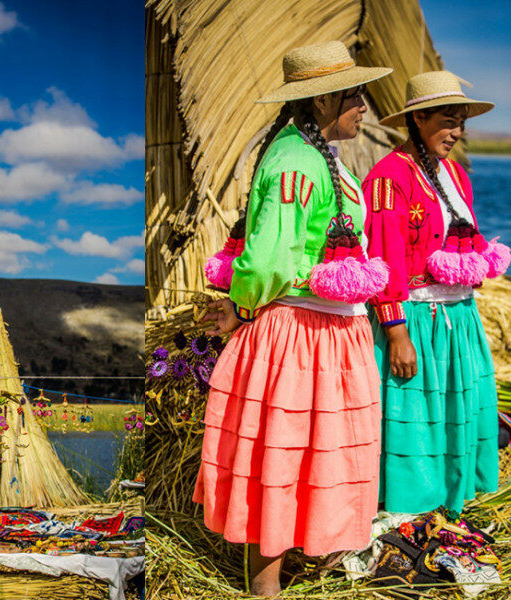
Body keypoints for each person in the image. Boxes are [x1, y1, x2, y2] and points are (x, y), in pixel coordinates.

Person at [193, 41, 392, 596]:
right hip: (302, 333)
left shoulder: (312, 153)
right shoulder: (295, 161)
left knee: (312, 448)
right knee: (283, 450)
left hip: (330, 330)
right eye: (355, 95)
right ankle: (266, 585)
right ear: (324, 100)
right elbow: (270, 257)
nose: (364, 107)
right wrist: (242, 306)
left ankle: (299, 554)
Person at [362, 70, 505, 516]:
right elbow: (384, 261)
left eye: (461, 121)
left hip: (459, 318)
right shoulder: (389, 178)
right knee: (417, 416)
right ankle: (409, 505)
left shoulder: (457, 175)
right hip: (416, 322)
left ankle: (449, 502)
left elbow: (469, 239)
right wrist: (397, 331)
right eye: (448, 120)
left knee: (455, 409)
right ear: (419, 117)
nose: (456, 132)